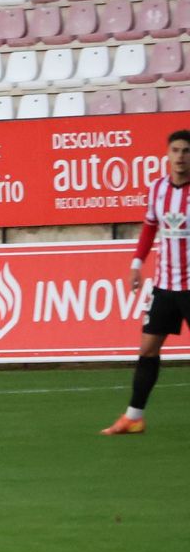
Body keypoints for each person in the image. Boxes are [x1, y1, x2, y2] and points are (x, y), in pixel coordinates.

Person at [102, 130, 190, 436]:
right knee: (148, 350)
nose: (180, 157)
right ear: (167, 154)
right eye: (176, 150)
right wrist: (136, 265)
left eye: (186, 151)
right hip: (165, 286)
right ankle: (134, 417)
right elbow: (150, 228)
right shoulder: (157, 190)